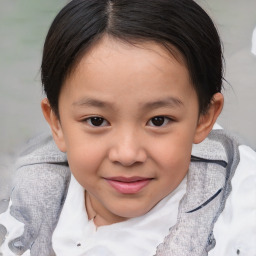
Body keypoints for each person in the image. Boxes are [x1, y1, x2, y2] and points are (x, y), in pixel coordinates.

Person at [0, 0, 256, 255]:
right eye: (96, 121)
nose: (127, 154)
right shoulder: (20, 201)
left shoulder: (240, 215)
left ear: (204, 117)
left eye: (158, 120)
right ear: (56, 123)